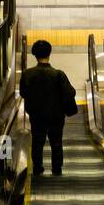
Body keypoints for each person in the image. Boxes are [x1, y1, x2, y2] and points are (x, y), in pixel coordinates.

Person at [19, 39, 77, 176]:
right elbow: (70, 92)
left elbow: (23, 93)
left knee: (37, 142)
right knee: (56, 142)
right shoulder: (58, 74)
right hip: (56, 116)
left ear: (35, 55)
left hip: (36, 115)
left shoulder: (28, 74)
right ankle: (57, 169)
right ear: (49, 54)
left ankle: (38, 168)